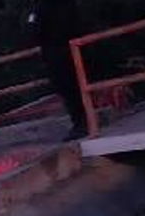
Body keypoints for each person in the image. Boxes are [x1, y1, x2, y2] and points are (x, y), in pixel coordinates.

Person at [29, 0, 89, 140]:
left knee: (68, 90)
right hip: (74, 50)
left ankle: (80, 125)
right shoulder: (67, 4)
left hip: (56, 54)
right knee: (79, 87)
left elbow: (35, 32)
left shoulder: (42, 7)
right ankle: (87, 120)